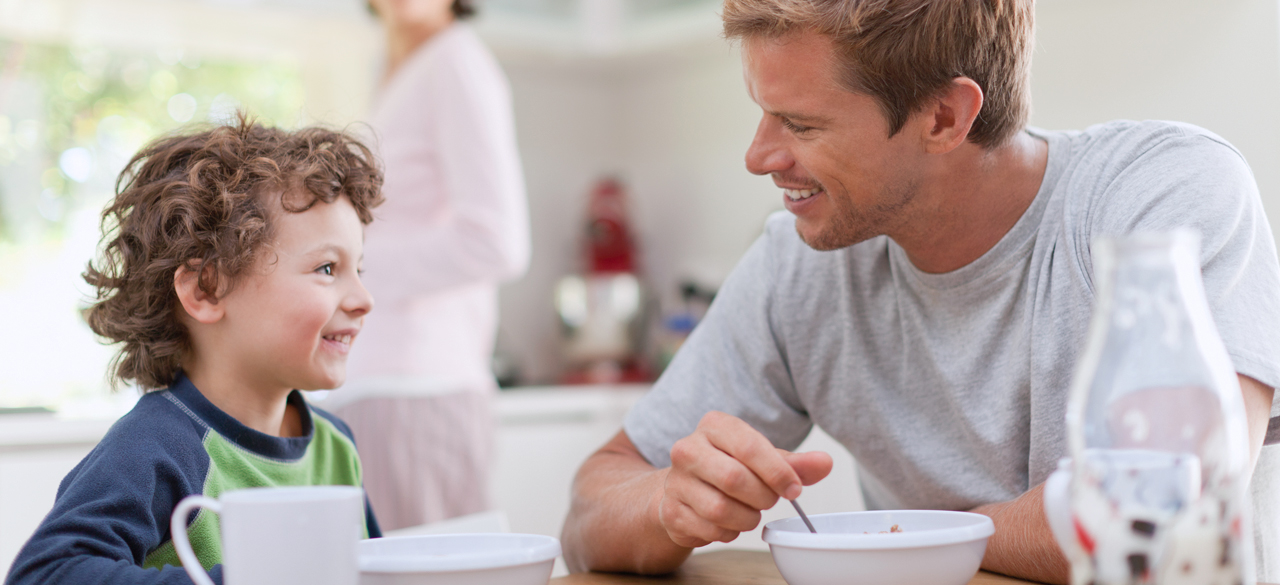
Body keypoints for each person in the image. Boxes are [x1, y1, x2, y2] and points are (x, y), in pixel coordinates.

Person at [560, 1, 1280, 583]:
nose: (758, 156)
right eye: (763, 111)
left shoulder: (1165, 196)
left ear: (944, 116)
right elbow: (593, 507)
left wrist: (893, 541)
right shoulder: (797, 264)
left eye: (801, 123)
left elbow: (1168, 510)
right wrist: (665, 505)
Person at [4, 116, 385, 585]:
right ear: (206, 289)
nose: (363, 299)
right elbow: (44, 574)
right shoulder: (157, 446)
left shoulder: (336, 445)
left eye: (359, 269)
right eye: (327, 268)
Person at [332, 0, 530, 530]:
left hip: (419, 382)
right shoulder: (391, 69)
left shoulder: (456, 63)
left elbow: (495, 240)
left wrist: (341, 269)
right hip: (373, 381)